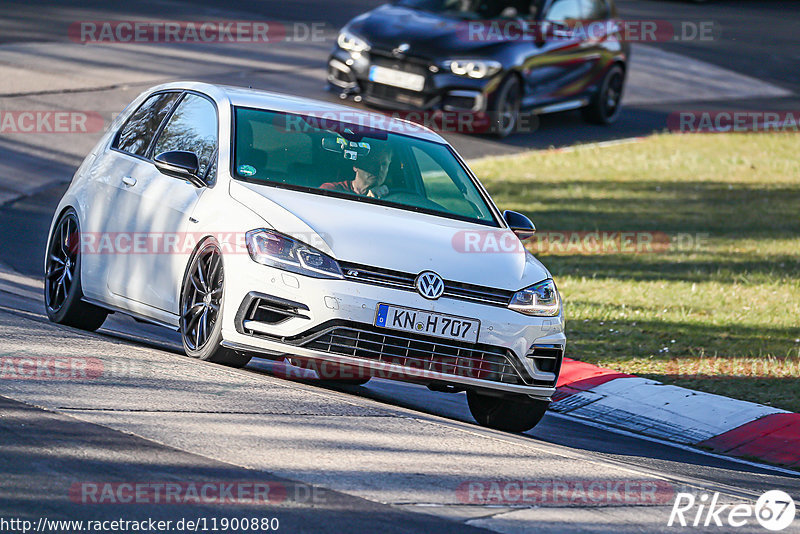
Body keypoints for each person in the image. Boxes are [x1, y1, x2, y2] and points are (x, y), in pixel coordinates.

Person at [320, 148, 392, 199]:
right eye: (373, 163)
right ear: (356, 165)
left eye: (384, 164)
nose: (379, 169)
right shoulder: (331, 190)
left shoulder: (392, 199)